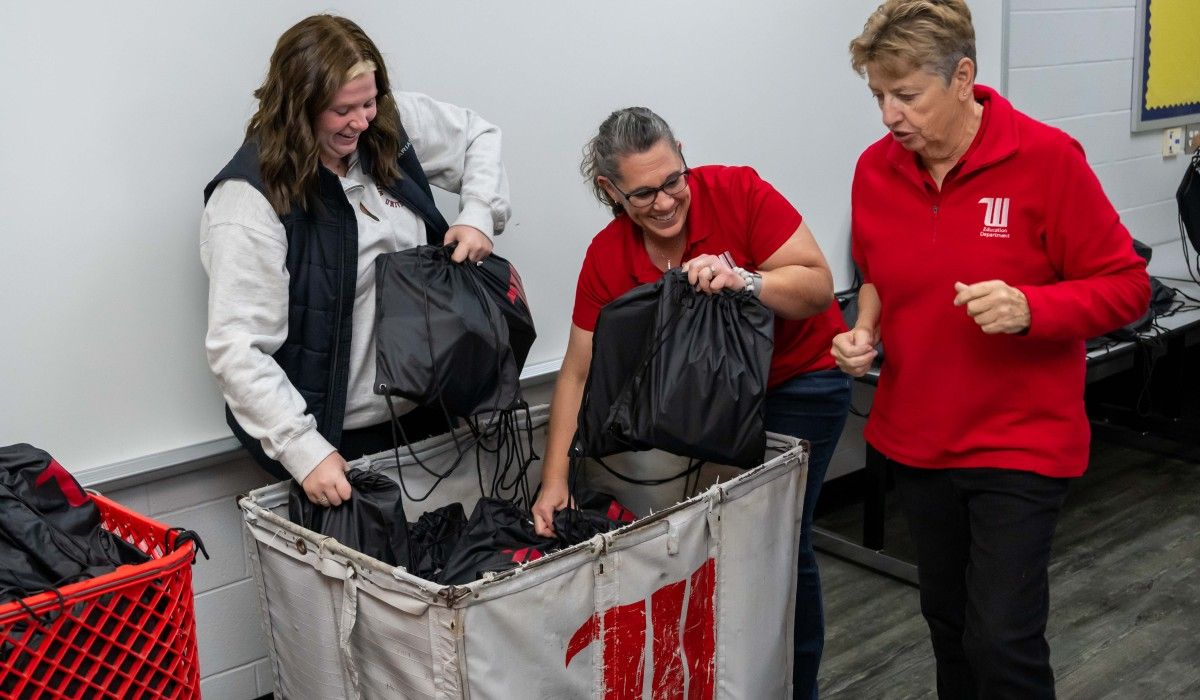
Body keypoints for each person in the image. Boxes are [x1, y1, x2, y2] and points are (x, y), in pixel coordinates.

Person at [835, 1, 1150, 697]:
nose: (890, 115)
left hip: (1020, 441)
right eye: (878, 96)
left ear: (963, 76)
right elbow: (879, 277)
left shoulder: (1045, 159)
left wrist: (1033, 306)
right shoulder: (874, 171)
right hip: (918, 440)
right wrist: (865, 330)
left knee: (1001, 641)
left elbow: (1128, 287)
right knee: (948, 627)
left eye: (907, 95)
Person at [530, 106, 851, 698]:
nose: (664, 202)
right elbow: (577, 372)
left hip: (797, 382)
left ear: (683, 154)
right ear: (611, 191)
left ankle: (793, 684)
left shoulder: (738, 191)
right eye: (643, 193)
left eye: (674, 179)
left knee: (778, 541)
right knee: (717, 547)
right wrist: (554, 480)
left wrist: (745, 279)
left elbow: (814, 286)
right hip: (708, 408)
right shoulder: (608, 254)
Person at [200, 15, 510, 508]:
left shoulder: (384, 123)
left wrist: (477, 215)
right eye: (344, 110)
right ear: (299, 107)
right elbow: (238, 350)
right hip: (336, 438)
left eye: (370, 102)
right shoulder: (247, 203)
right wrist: (305, 451)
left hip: (425, 412)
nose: (363, 121)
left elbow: (478, 135)